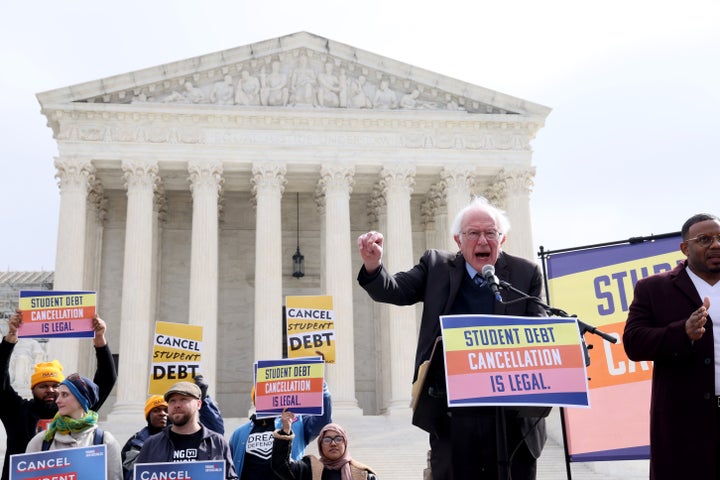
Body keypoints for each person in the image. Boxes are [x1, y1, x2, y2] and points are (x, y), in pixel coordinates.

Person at [356, 196, 548, 480]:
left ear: (502, 238)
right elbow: (395, 289)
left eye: (490, 233)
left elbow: (539, 328)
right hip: (453, 411)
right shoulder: (436, 266)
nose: (483, 241)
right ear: (459, 240)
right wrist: (374, 266)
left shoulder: (525, 273)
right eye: (473, 233)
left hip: (510, 416)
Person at [623, 213, 720, 480]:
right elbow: (633, 342)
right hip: (683, 420)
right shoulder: (654, 289)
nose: (715, 245)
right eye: (705, 239)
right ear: (685, 248)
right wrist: (683, 332)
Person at [0, 310, 117, 480]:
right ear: (32, 389)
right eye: (43, 386)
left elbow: (106, 379)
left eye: (56, 386)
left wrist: (99, 339)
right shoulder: (18, 412)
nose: (51, 390)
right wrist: (11, 337)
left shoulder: (77, 412)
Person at [121, 375, 225, 480]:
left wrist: (205, 399)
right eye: (156, 410)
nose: (162, 414)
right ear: (148, 416)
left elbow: (216, 429)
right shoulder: (145, 443)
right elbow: (130, 474)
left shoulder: (215, 441)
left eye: (165, 410)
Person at [25, 373, 123, 480]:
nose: (57, 400)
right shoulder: (41, 441)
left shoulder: (105, 441)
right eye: (59, 394)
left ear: (81, 401)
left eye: (65, 395)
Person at [229, 381, 333, 478]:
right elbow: (229, 468)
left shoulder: (296, 422)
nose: (267, 398)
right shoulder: (239, 433)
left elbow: (322, 422)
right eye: (262, 394)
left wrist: (320, 385)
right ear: (255, 400)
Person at [272, 410, 377, 480]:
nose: (333, 443)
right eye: (327, 440)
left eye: (338, 439)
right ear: (320, 445)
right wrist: (286, 430)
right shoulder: (309, 470)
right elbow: (281, 466)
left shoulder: (364, 475)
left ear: (345, 443)